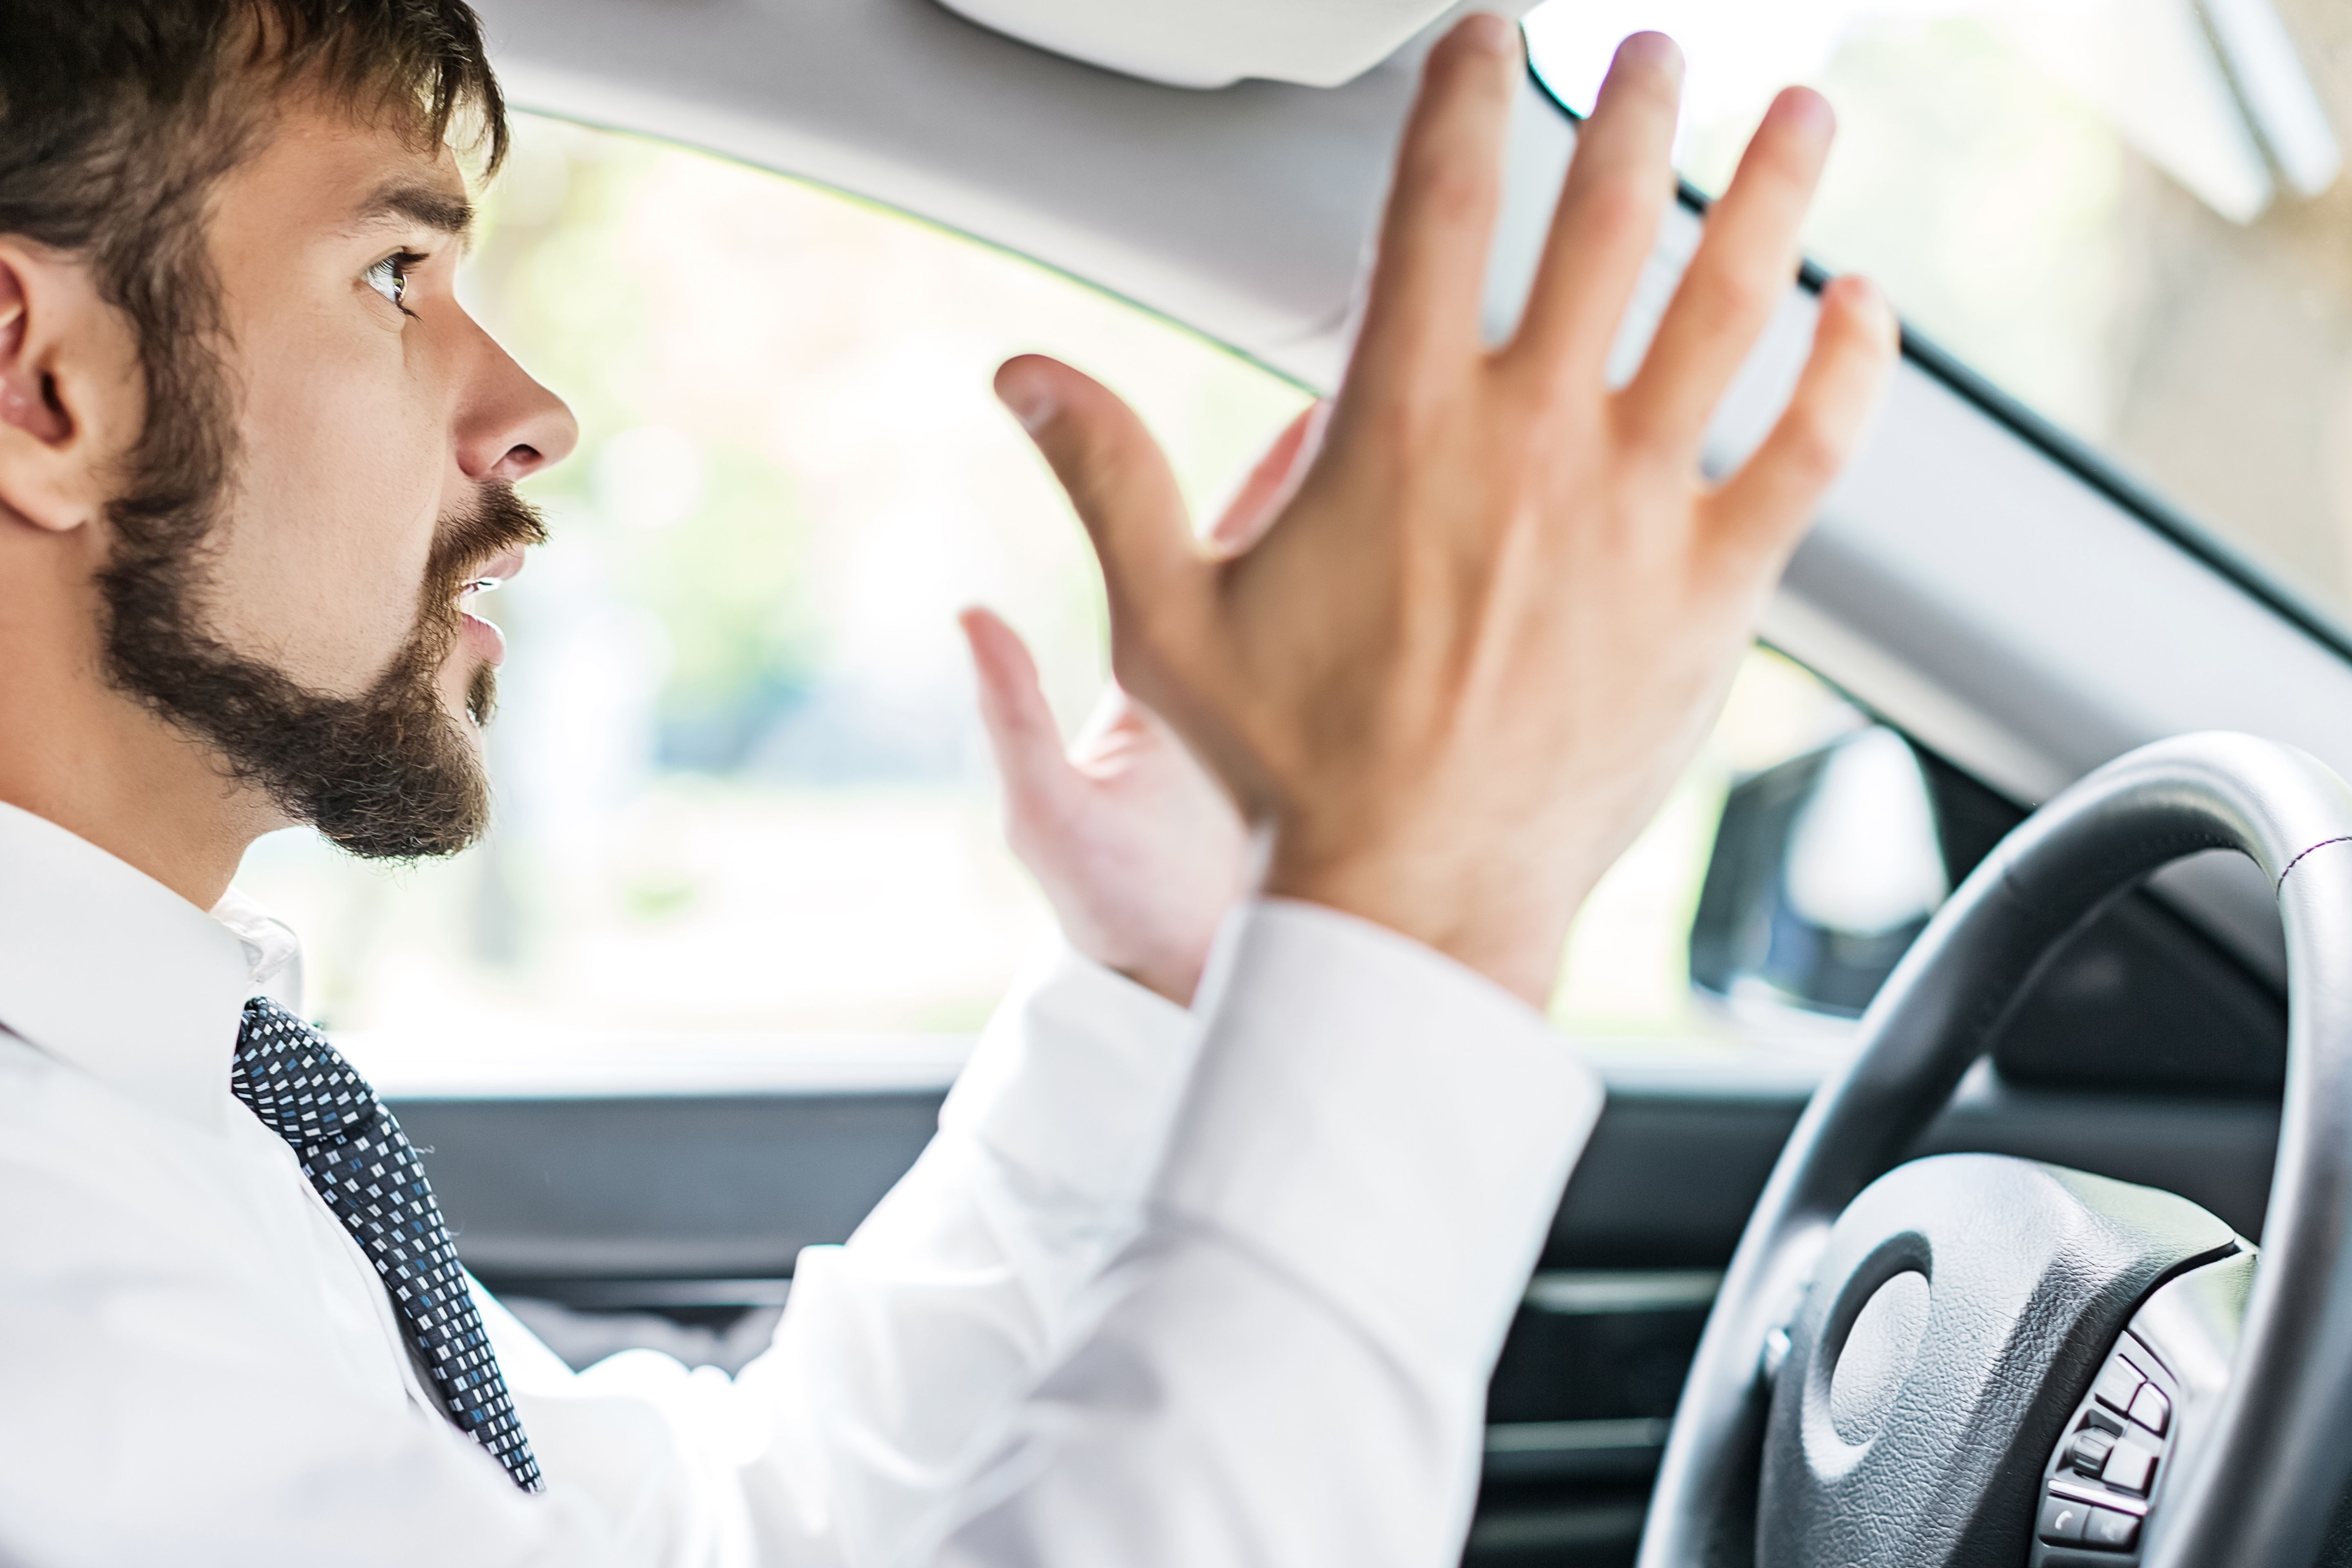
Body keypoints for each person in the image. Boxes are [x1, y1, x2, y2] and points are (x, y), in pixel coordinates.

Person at [0, 1, 1895, 1563]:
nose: (534, 413)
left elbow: (721, 1536)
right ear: (43, 385)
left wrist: (1159, 988)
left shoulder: (164, 1114)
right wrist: (1422, 916)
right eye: (398, 274)